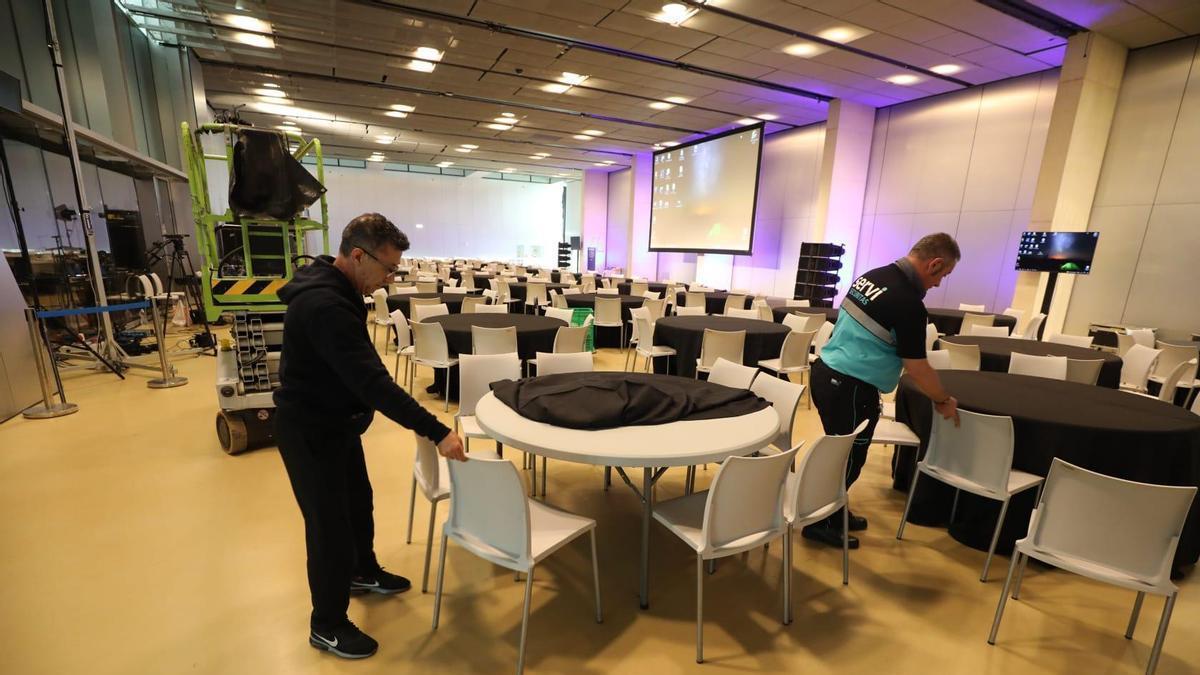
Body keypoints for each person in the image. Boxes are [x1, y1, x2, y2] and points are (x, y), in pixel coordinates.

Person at [273, 213, 466, 660]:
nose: (389, 279)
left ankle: (362, 571)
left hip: (337, 423)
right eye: (387, 268)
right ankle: (327, 624)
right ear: (358, 255)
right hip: (310, 429)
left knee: (359, 502)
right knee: (328, 528)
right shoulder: (324, 305)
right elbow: (373, 383)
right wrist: (437, 431)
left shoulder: (338, 288)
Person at [804, 233, 961, 549]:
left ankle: (834, 510)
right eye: (943, 276)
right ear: (935, 263)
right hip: (849, 386)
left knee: (840, 454)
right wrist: (942, 399)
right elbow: (917, 367)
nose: (938, 284)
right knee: (849, 458)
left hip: (826, 373)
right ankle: (820, 521)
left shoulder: (872, 277)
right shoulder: (909, 304)